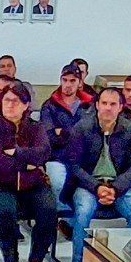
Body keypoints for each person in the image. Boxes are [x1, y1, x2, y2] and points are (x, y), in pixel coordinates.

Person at [61, 86, 131, 262]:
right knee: (83, 213)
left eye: (113, 104)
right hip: (88, 184)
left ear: (120, 107)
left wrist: (115, 188)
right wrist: (97, 187)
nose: (108, 108)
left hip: (119, 186)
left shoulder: (129, 130)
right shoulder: (81, 129)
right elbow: (73, 165)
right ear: (97, 105)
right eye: (104, 103)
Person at [0, 81, 56, 262]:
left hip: (33, 183)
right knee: (6, 211)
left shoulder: (35, 127)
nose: (10, 105)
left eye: (15, 101)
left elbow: (44, 152)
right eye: (6, 100)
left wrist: (17, 153)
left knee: (48, 209)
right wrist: (26, 164)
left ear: (26, 105)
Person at [40, 63, 94, 203]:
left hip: (83, 159)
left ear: (80, 82)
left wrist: (63, 131)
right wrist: (75, 133)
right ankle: (58, 221)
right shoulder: (49, 106)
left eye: (72, 81)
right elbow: (49, 137)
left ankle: (72, 223)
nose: (68, 84)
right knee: (56, 182)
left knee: (85, 194)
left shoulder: (89, 106)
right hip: (57, 158)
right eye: (65, 80)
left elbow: (90, 135)